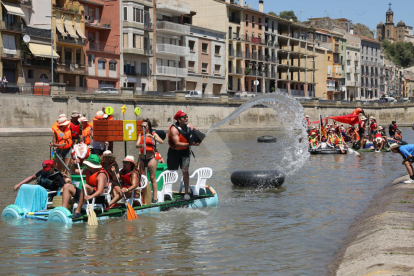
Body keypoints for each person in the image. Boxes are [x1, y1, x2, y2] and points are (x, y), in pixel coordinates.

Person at [63, 154, 110, 218]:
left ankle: (78, 211)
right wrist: (74, 164)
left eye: (87, 164)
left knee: (85, 186)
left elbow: (100, 191)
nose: (86, 165)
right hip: (85, 194)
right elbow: (73, 171)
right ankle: (64, 210)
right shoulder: (88, 171)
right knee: (67, 186)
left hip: (96, 197)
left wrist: (91, 196)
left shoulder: (101, 175)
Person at [167, 110, 200, 201]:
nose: (186, 118)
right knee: (171, 172)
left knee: (185, 171)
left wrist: (197, 136)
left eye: (186, 116)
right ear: (179, 119)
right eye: (184, 117)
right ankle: (167, 191)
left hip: (185, 152)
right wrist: (191, 144)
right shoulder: (174, 129)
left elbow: (195, 137)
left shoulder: (190, 126)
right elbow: (177, 144)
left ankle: (186, 192)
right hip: (174, 152)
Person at [136, 119, 163, 203]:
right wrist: (141, 145)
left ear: (149, 127)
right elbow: (137, 145)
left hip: (150, 158)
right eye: (142, 126)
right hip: (141, 158)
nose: (143, 127)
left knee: (152, 178)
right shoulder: (140, 135)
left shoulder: (153, 134)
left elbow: (161, 141)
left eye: (145, 126)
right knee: (142, 178)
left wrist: (153, 137)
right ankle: (143, 196)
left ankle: (155, 198)